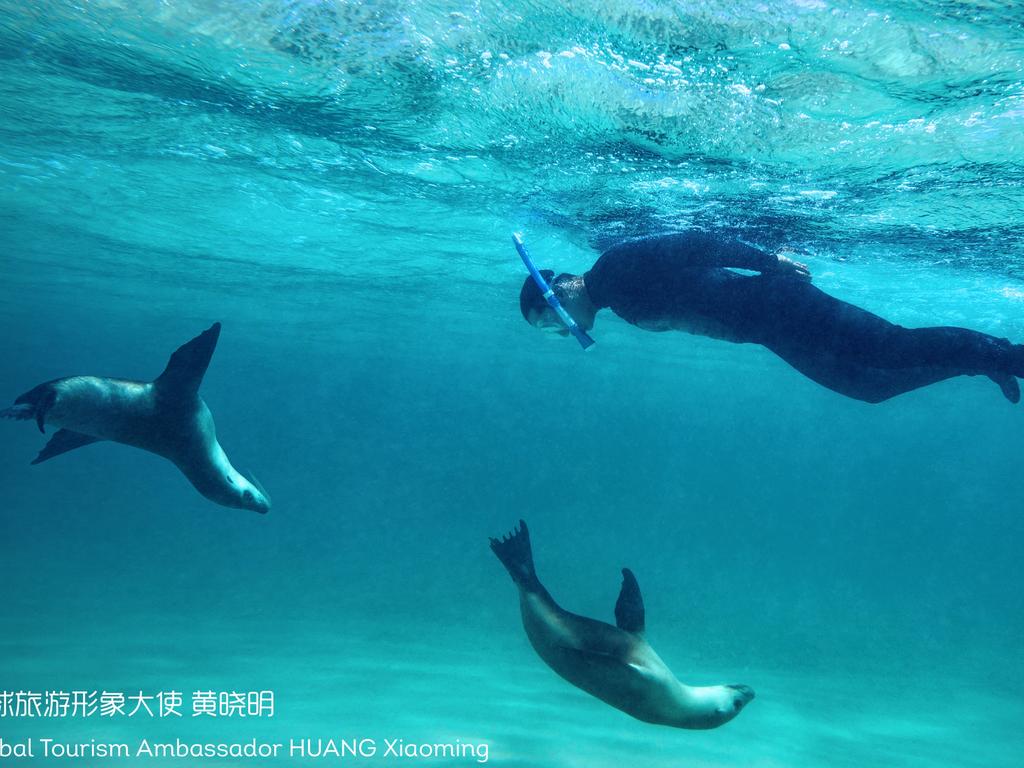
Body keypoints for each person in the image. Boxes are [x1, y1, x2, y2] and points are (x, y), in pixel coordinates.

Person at [519, 232, 1024, 404]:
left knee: (893, 347)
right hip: (771, 330)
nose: (565, 332)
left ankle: (1006, 355)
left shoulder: (613, 267)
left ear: (555, 293)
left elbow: (695, 242)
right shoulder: (616, 300)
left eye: (551, 324)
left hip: (780, 305)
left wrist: (770, 261)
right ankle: (980, 360)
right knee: (869, 388)